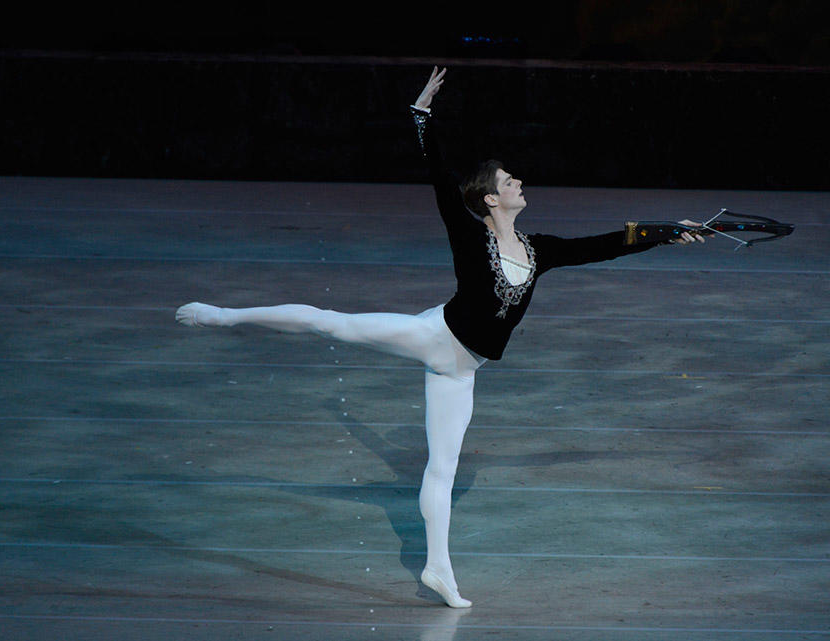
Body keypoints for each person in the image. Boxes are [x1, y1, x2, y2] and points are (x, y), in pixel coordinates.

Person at [175, 67, 707, 608]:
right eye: (508, 181)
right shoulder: (468, 232)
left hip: (464, 368)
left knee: (442, 469)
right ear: (491, 200)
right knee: (329, 320)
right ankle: (224, 316)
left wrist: (666, 234)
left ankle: (437, 569)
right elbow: (438, 175)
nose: (518, 182)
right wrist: (421, 117)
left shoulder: (540, 249)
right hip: (433, 335)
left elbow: (604, 246)